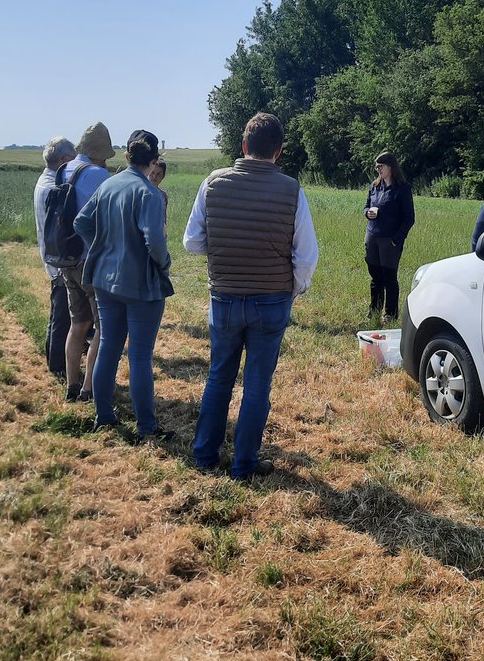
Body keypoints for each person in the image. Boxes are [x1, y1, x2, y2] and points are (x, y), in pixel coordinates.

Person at [183, 112, 318, 480]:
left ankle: (204, 455)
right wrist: (294, 288)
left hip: (225, 297)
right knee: (257, 384)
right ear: (279, 151)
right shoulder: (292, 190)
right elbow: (306, 256)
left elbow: (192, 242)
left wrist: (224, 249)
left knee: (218, 378)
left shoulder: (213, 183)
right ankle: (244, 464)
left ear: (243, 146)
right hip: (271, 300)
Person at [74, 130, 173, 442]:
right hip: (141, 284)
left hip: (105, 280)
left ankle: (104, 416)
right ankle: (146, 427)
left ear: (128, 155)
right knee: (140, 356)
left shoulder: (108, 184)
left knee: (108, 347)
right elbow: (154, 240)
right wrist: (164, 263)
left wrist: (102, 246)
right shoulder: (149, 193)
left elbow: (81, 222)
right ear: (154, 160)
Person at [59, 122, 115, 402]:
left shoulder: (63, 169)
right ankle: (88, 389)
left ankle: (71, 385)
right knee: (102, 329)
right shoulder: (99, 175)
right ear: (101, 153)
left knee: (77, 324)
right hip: (90, 261)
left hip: (66, 257)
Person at [33, 135, 76, 381]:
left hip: (50, 255)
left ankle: (53, 356)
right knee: (62, 315)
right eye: (72, 160)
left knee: (57, 311)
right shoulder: (53, 187)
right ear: (63, 159)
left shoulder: (44, 181)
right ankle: (58, 365)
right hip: (58, 259)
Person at [364, 151, 415, 321]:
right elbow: (366, 206)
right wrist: (367, 213)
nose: (378, 169)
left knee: (389, 278)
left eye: (381, 166)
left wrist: (396, 240)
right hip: (372, 237)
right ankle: (374, 312)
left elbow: (409, 218)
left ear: (391, 167)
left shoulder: (402, 189)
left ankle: (390, 315)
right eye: (376, 167)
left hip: (390, 241)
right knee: (375, 276)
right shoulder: (375, 186)